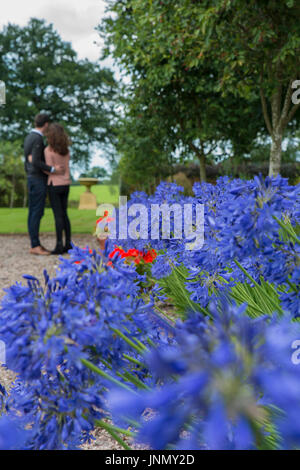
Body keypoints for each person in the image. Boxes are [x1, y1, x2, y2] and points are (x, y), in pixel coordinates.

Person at [24, 114, 63, 256]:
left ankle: (34, 243)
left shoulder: (29, 137)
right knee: (37, 212)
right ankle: (35, 245)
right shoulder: (37, 139)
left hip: (31, 177)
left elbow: (29, 159)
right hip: (37, 179)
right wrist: (53, 169)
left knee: (33, 211)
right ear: (46, 124)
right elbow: (35, 161)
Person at [44, 123, 72, 255]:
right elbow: (65, 168)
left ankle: (59, 245)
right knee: (65, 214)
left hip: (54, 185)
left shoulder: (48, 150)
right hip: (66, 184)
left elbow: (49, 169)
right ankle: (68, 244)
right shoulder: (66, 150)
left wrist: (48, 170)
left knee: (58, 216)